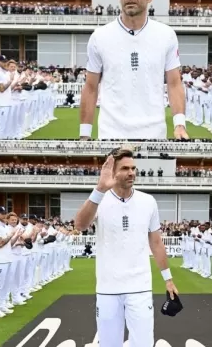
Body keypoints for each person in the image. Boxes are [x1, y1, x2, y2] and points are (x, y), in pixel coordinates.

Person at [73, 147, 179, 347]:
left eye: (133, 168)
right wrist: (99, 189)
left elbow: (156, 242)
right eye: (125, 169)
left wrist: (168, 280)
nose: (131, 173)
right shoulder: (99, 199)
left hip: (139, 286)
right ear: (112, 172)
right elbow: (79, 225)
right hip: (107, 287)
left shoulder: (148, 201)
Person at [79, 0, 187, 140]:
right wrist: (84, 134)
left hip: (154, 135)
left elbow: (174, 83)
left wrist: (179, 124)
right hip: (111, 135)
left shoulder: (166, 35)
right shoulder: (99, 37)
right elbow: (91, 88)